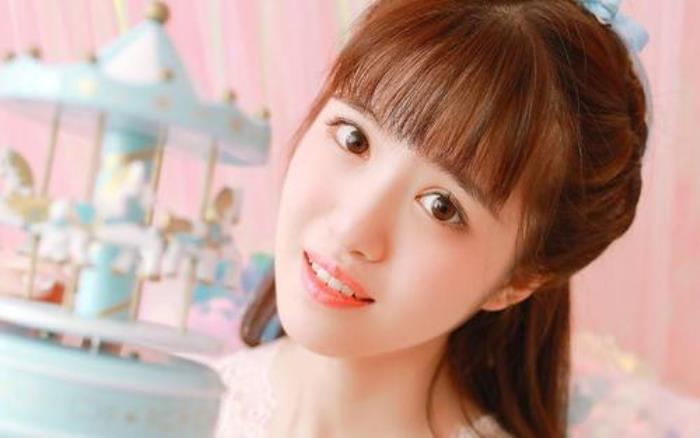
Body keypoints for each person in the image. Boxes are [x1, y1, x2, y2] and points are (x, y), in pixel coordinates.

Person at [215, 0, 651, 436]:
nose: (352, 230)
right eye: (354, 139)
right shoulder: (190, 401)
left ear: (518, 279)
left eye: (442, 206)